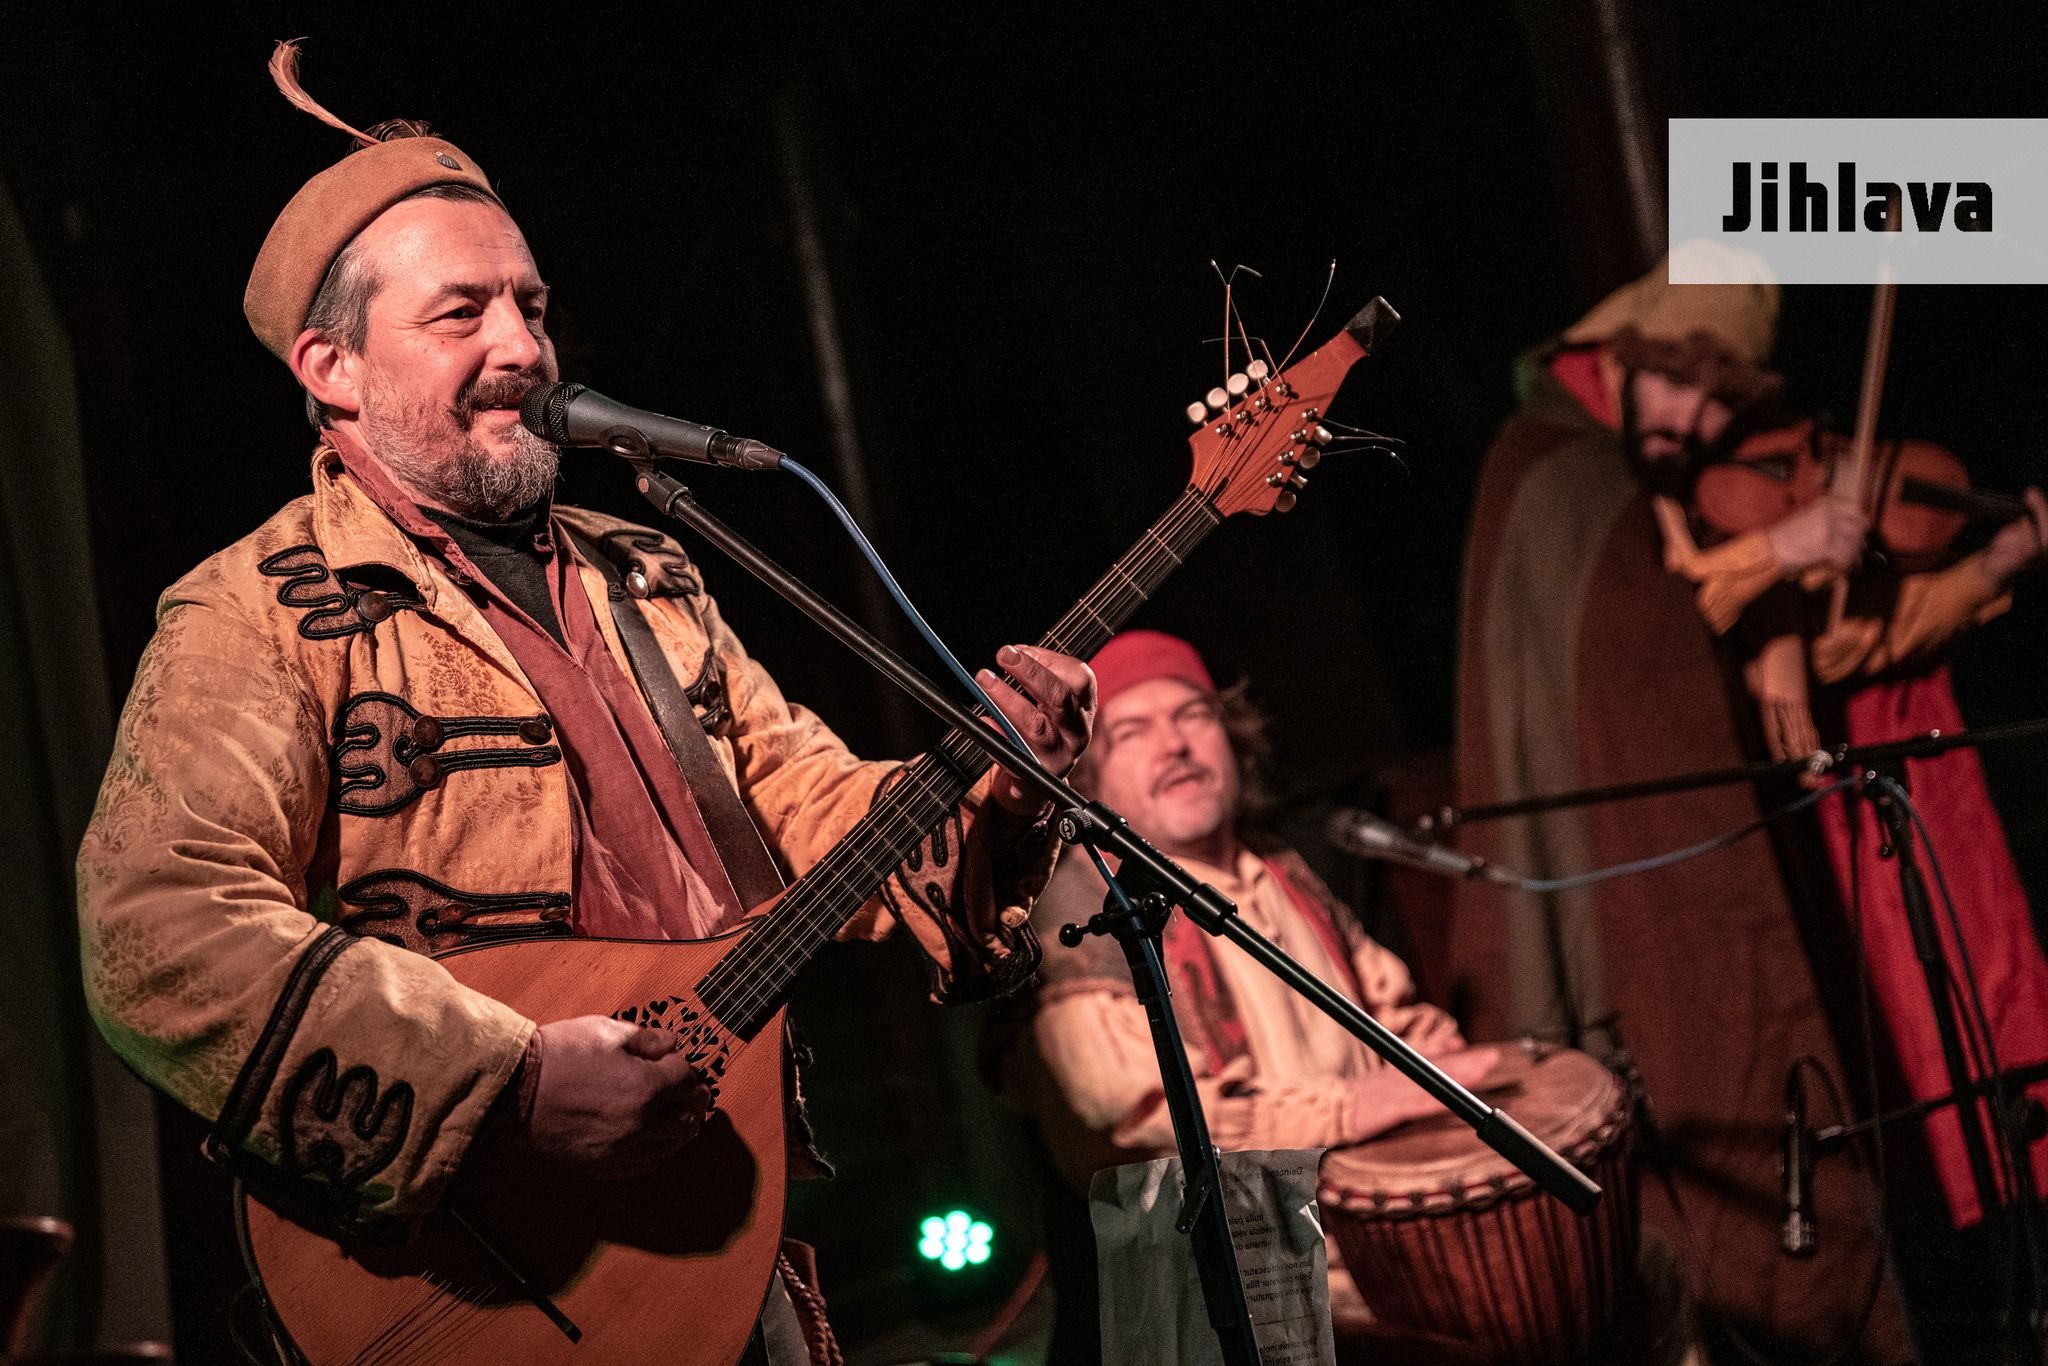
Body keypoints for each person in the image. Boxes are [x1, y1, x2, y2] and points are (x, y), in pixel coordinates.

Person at [73, 46, 1094, 1363]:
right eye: (461, 313)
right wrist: (501, 1083)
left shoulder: (644, 570)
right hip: (478, 1265)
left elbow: (811, 806)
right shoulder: (251, 608)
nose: (521, 345)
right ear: (331, 366)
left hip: (714, 1221)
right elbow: (157, 925)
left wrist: (999, 785)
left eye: (531, 305)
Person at [1449, 255, 2048, 1362]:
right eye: (1678, 383)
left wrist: (1987, 565)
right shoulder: (1564, 473)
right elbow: (1659, 635)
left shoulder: (1654, 486)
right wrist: (1780, 548)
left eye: (1720, 401)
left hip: (1764, 847)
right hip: (1668, 885)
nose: (1696, 419)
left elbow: (1818, 652)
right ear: (1619, 355)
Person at [992, 629, 1523, 1364]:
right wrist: (1353, 1108)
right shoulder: (1082, 904)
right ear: (1092, 776)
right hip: (1226, 1305)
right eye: (1134, 731)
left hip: (1365, 1259)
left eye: (1193, 716)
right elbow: (1128, 1124)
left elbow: (1388, 1010)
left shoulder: (1280, 868)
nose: (1175, 745)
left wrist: (1433, 1052)